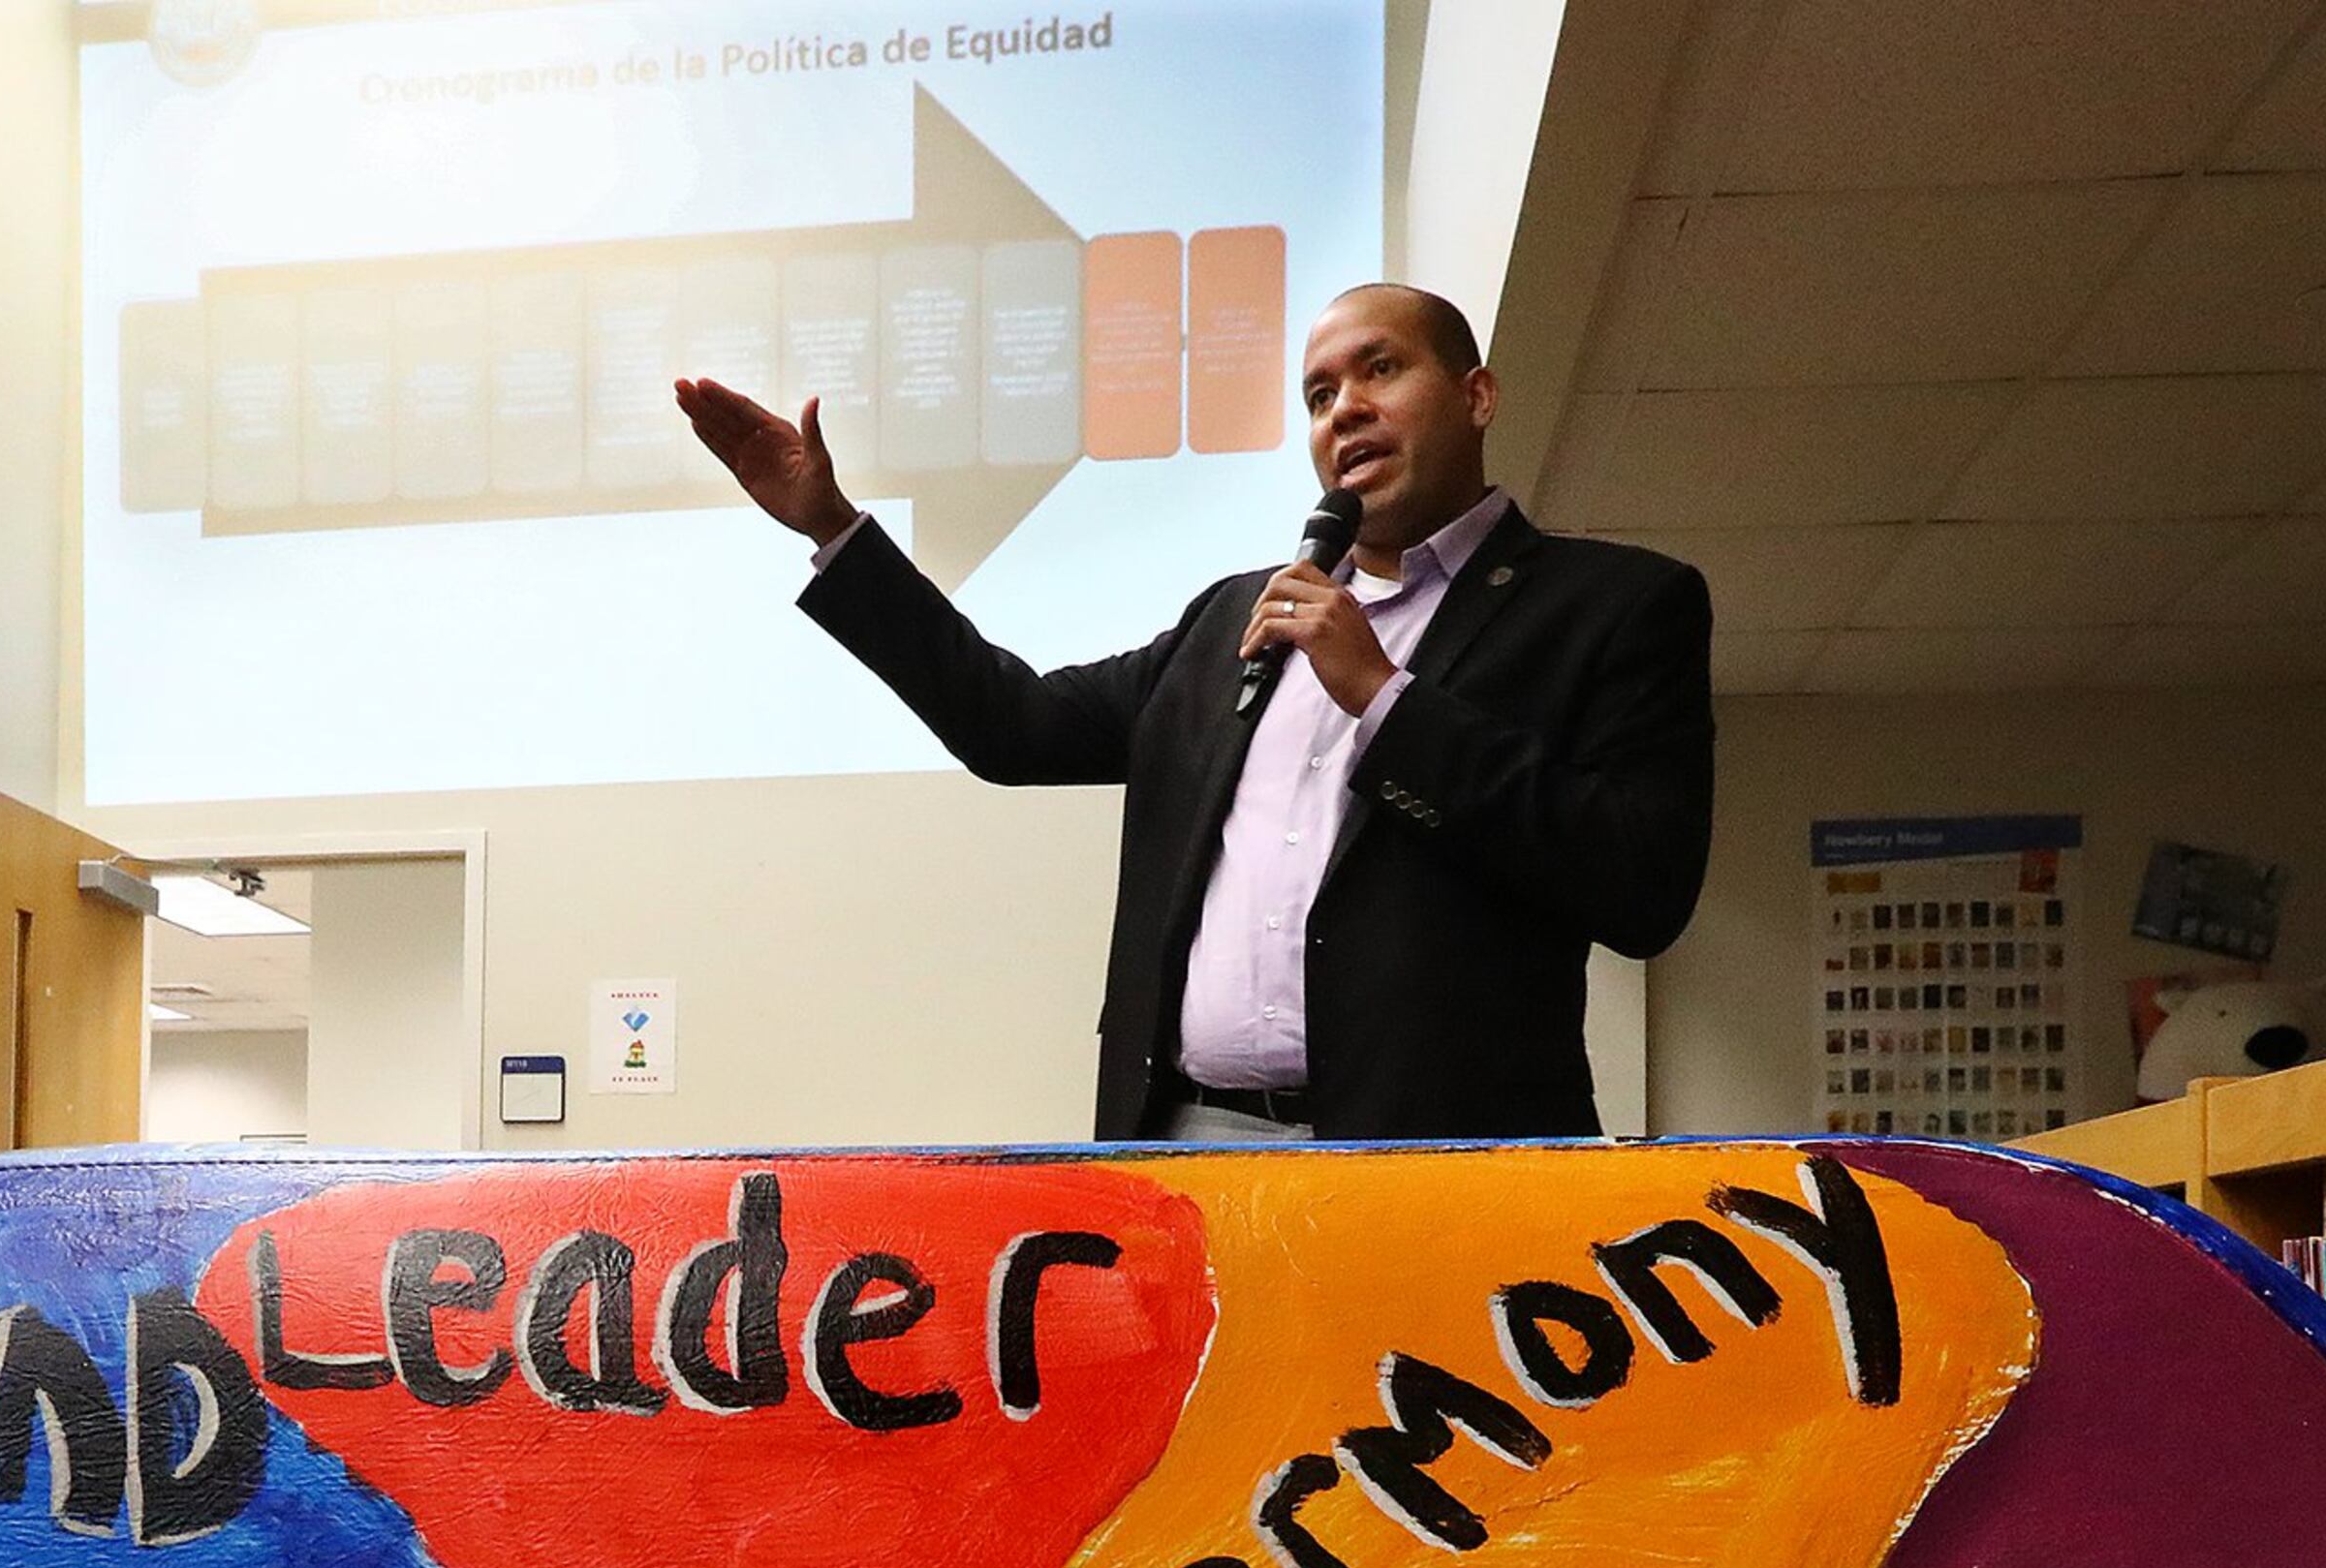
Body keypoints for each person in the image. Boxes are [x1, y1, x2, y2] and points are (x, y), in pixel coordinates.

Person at [674, 282, 1712, 1142]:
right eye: (1318, 393)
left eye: (1380, 369)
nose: (1344, 408)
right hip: (1188, 1142)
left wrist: (1386, 702)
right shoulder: (1233, 618)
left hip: (1434, 1152)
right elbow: (1012, 725)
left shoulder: (1612, 607)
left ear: (1477, 394)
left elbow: (1641, 888)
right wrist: (836, 532)